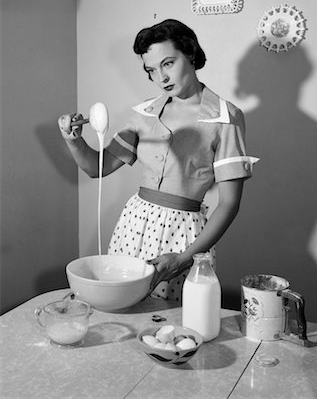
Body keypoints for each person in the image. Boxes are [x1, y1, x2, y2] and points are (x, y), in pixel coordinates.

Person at [58, 19, 259, 302]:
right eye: (151, 70)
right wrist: (73, 139)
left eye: (168, 63)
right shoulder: (144, 114)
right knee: (121, 304)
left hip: (185, 235)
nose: (161, 77)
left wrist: (185, 257)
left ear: (189, 54)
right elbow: (96, 168)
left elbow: (229, 203)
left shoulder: (225, 117)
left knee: (172, 319)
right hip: (133, 224)